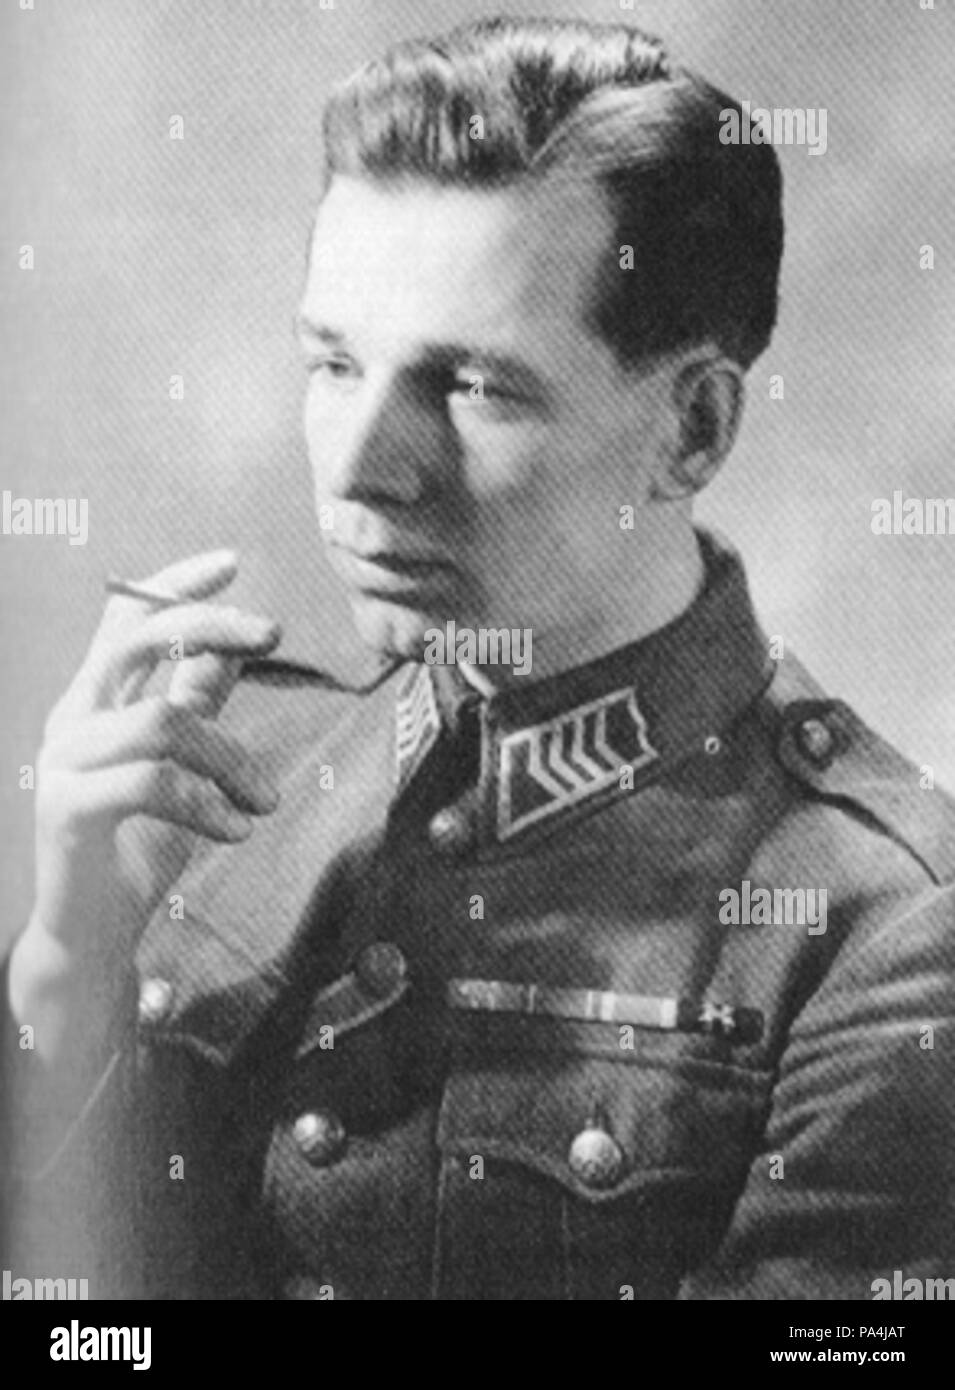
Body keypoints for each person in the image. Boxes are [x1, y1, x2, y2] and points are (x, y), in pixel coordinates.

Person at [4, 16, 954, 1301]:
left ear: (692, 427)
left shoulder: (885, 925)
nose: (361, 469)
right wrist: (65, 958)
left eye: (475, 388)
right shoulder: (217, 773)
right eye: (333, 361)